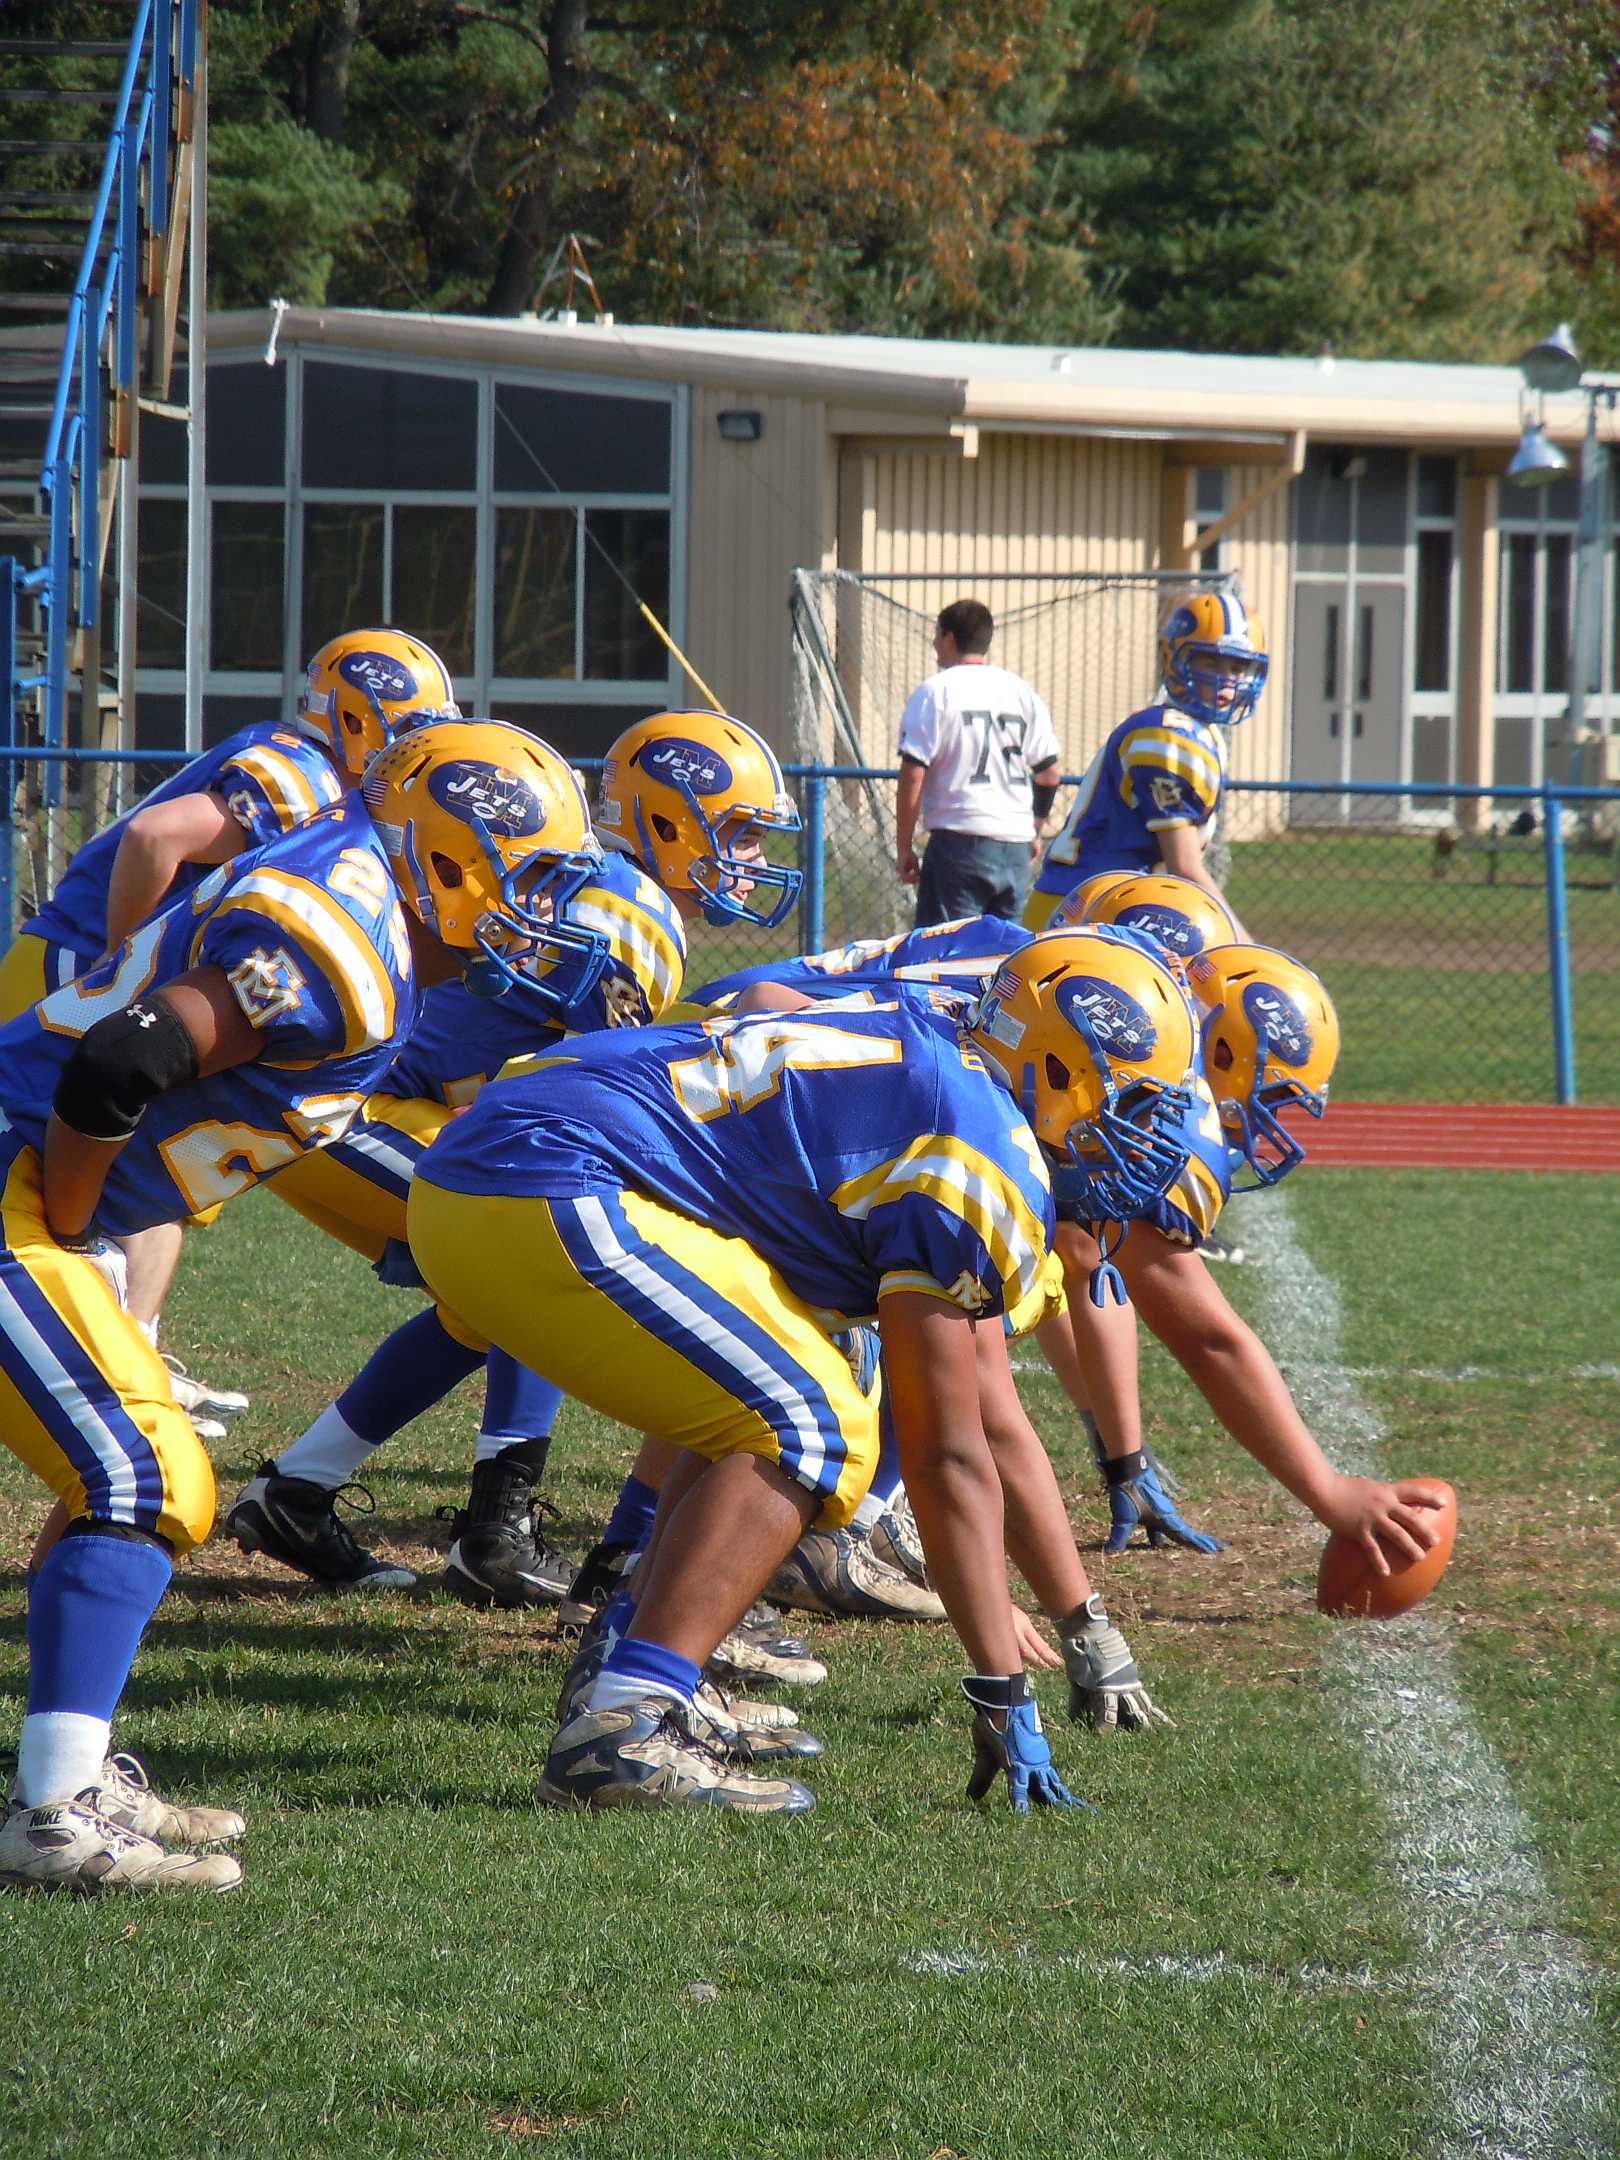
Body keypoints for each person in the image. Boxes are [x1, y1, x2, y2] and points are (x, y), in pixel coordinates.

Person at [0, 720, 604, 1893]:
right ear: (445, 860)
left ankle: (61, 1769)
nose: (542, 909)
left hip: (37, 1171)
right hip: (20, 1176)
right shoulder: (342, 944)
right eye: (525, 874)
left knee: (123, 1470)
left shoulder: (363, 889)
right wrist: (77, 1227)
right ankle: (53, 1818)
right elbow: (121, 1061)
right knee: (143, 1476)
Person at [407, 927, 1198, 1814]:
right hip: (539, 1174)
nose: (1145, 1141)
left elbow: (766, 1011)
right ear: (1056, 1071)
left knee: (758, 1404)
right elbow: (948, 1456)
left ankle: (630, 1675)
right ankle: (625, 1729)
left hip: (516, 1148)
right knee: (813, 1423)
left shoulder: (954, 1050)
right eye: (1137, 1106)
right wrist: (999, 1683)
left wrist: (1063, 1628)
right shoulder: (979, 1150)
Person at [226, 710, 805, 1610]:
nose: (749, 858)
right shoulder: (625, 910)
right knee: (531, 1244)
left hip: (370, 1101)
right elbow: (573, 1108)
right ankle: (495, 1529)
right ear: (666, 820)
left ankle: (299, 1493)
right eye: (734, 831)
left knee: (486, 1298)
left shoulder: (608, 894)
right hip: (346, 1102)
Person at [0, 628, 460, 1424]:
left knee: (150, 1172)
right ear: (356, 720)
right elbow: (156, 837)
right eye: (408, 729)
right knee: (81, 1142)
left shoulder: (324, 781)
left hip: (107, 973)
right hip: (80, 963)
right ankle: (95, 1359)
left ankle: (126, 1350)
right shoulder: (300, 766)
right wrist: (128, 960)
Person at [1025, 590, 1266, 932]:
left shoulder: (1200, 734)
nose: (1226, 678)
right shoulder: (1167, 736)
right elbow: (1183, 864)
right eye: (1211, 663)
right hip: (1084, 905)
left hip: (1127, 903)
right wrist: (1240, 940)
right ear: (1178, 659)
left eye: (1238, 666)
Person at [895, 599, 1061, 927]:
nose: (933, 645)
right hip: (1014, 843)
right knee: (1004, 959)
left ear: (950, 638)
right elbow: (1049, 773)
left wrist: (903, 847)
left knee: (943, 957)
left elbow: (913, 773)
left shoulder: (935, 691)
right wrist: (1035, 827)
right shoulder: (1021, 692)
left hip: (960, 842)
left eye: (937, 636)